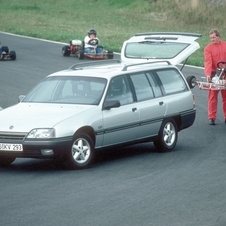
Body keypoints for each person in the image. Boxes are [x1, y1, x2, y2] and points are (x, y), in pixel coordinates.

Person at [204, 29, 226, 125]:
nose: (212, 39)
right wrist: (208, 74)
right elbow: (208, 62)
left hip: (225, 73)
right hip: (214, 74)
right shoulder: (208, 48)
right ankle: (211, 117)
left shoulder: (225, 45)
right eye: (211, 38)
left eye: (213, 37)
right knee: (212, 97)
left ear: (218, 36)